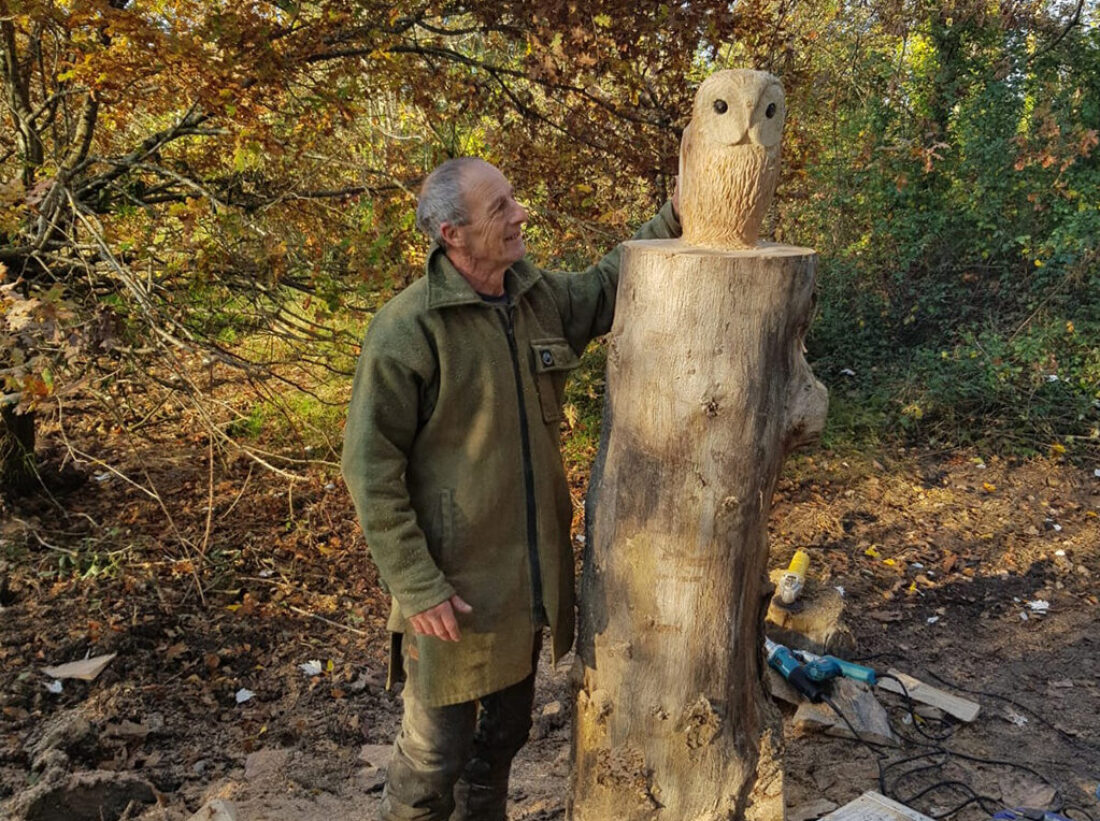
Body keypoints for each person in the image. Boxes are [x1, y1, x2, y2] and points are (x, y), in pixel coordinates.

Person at [341, 157, 680, 820]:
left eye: (512, 200)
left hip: (523, 588)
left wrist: (678, 210)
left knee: (498, 747)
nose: (520, 213)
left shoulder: (535, 296)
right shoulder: (408, 330)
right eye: (499, 208)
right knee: (432, 760)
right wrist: (416, 583)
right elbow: (368, 467)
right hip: (453, 594)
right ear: (452, 235)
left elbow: (609, 286)